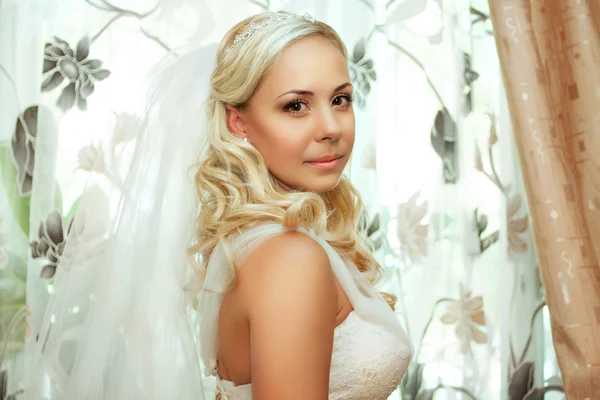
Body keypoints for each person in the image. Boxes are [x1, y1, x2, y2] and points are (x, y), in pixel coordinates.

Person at [27, 11, 412, 400]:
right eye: (296, 106)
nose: (331, 127)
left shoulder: (261, 245)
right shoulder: (290, 258)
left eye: (340, 99)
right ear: (237, 122)